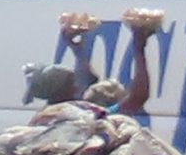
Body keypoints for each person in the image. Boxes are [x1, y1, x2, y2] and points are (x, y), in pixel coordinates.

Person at [24, 14, 154, 114]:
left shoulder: (45, 116)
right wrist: (139, 49)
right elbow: (137, 98)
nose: (79, 85)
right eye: (73, 81)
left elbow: (90, 79)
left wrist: (77, 49)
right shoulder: (85, 116)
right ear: (62, 92)